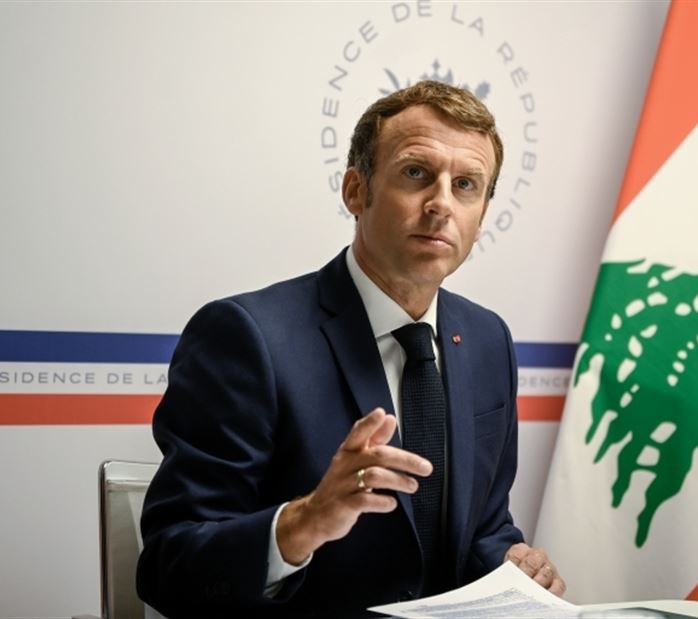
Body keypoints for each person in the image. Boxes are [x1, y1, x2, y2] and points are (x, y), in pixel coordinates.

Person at [136, 80, 565, 617]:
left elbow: (483, 529)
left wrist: (512, 565)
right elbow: (168, 568)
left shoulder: (488, 340)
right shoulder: (246, 337)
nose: (441, 204)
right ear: (355, 191)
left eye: (465, 185)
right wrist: (305, 521)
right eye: (416, 173)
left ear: (481, 216)